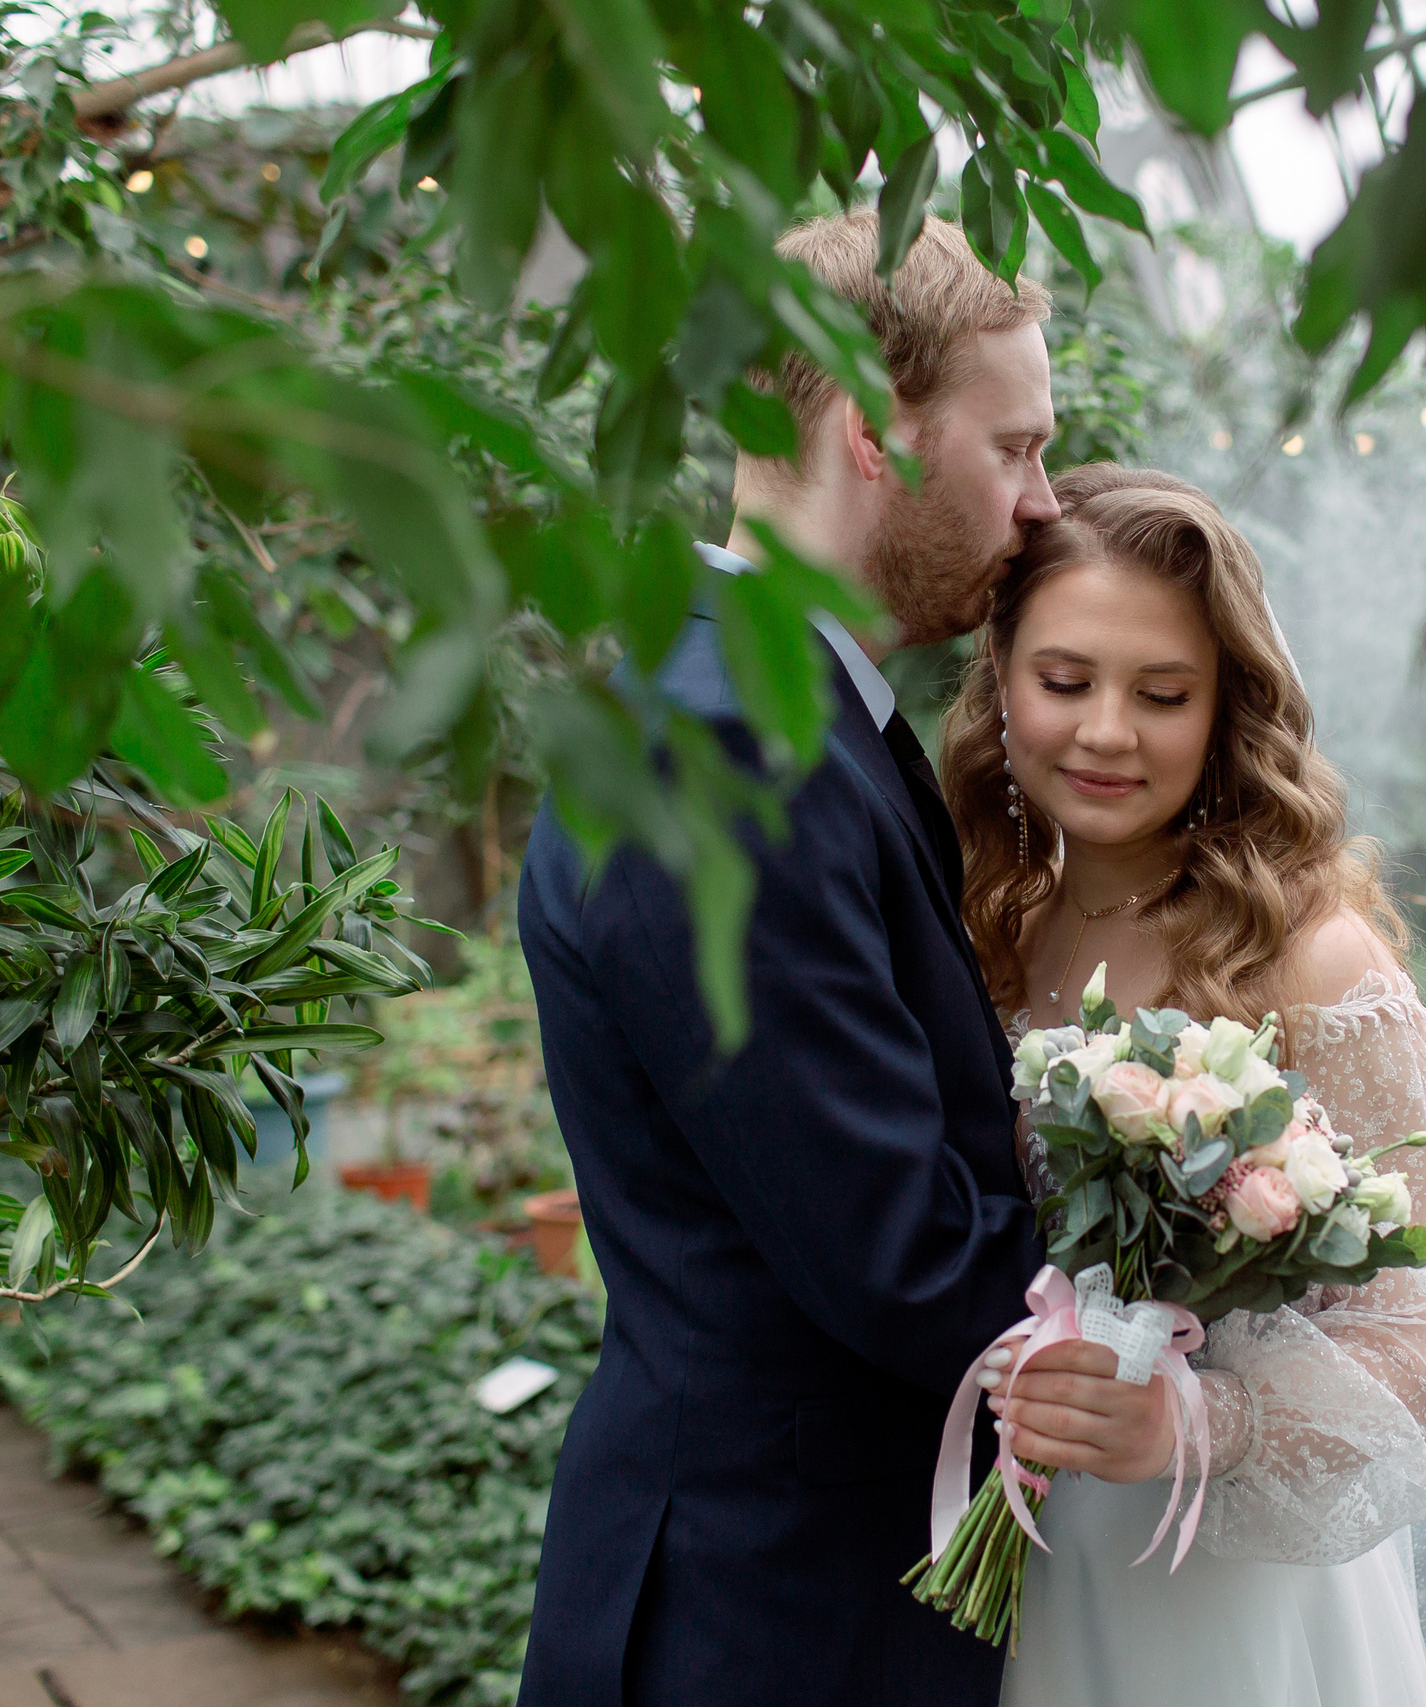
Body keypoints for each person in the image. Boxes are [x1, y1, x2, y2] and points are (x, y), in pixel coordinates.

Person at [514, 211, 1062, 1707]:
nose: (1042, 500)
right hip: (770, 1625)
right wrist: (1215, 1294)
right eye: (1014, 447)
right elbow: (905, 1259)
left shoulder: (770, 705)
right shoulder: (729, 753)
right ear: (881, 432)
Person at [937, 465, 1426, 1707]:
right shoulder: (982, 924)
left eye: (1163, 694)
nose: (1105, 732)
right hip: (1018, 1574)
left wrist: (1198, 1427)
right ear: (1002, 687)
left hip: (1224, 1591)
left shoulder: (1312, 956)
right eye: (1065, 680)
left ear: (1226, 710)